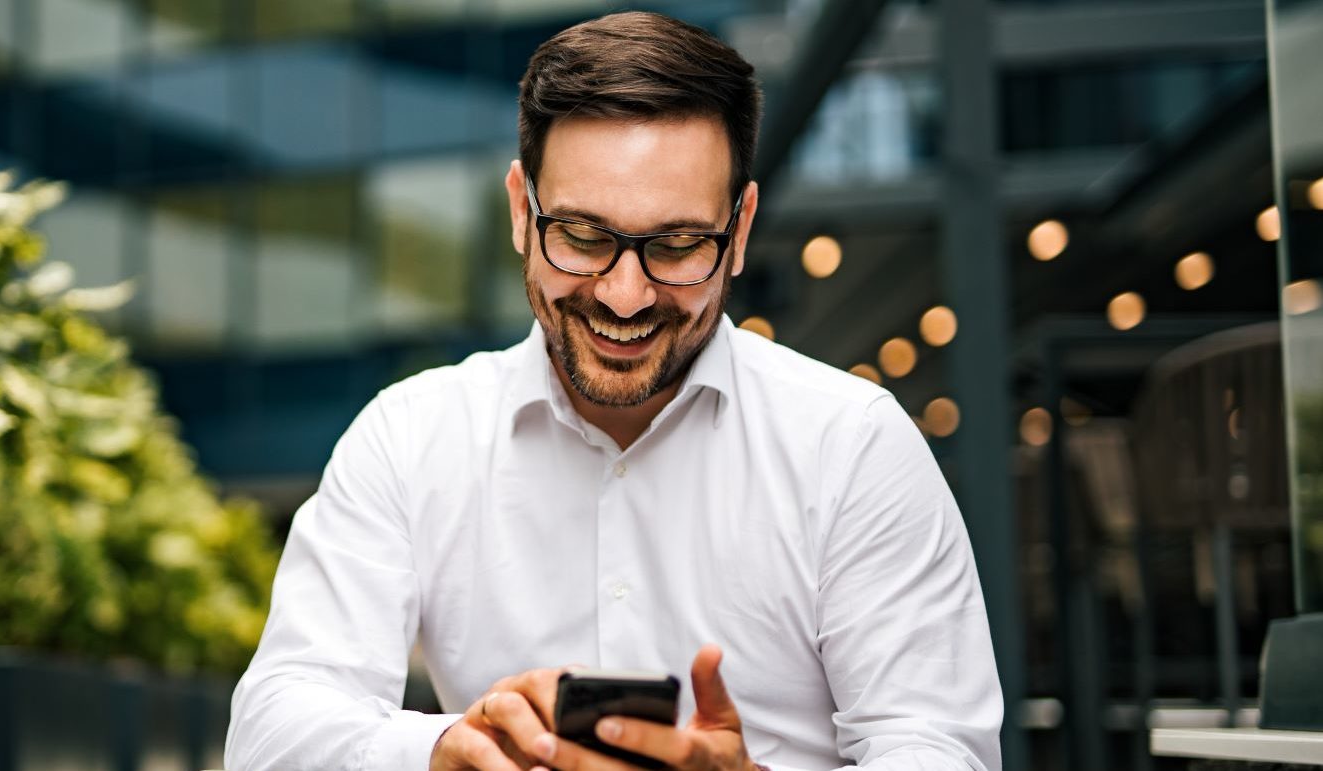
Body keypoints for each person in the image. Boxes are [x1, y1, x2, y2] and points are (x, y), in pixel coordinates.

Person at [225, 11, 1001, 771]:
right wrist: (436, 749)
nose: (625, 295)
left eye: (676, 245)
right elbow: (272, 732)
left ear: (739, 228)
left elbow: (940, 748)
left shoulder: (852, 444)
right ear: (519, 212)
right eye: (584, 237)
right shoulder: (409, 436)